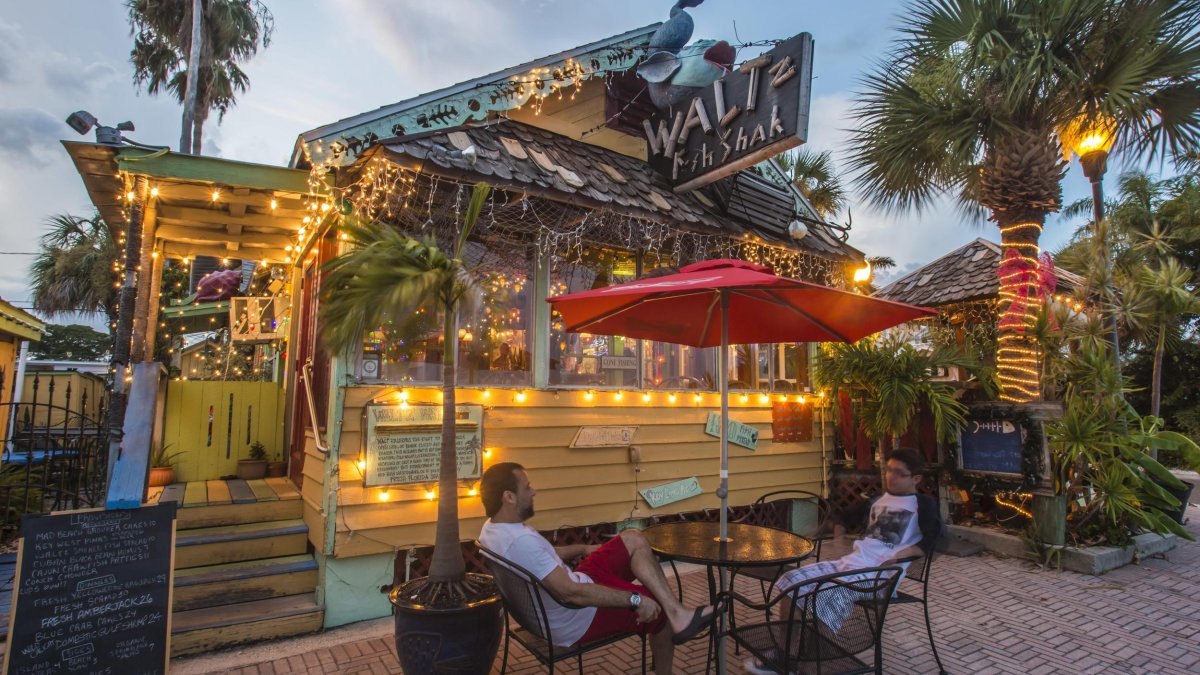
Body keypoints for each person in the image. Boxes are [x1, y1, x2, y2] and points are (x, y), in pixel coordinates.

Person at [478, 462, 718, 675]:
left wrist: (583, 547)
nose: (533, 491)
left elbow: (546, 558)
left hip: (567, 595)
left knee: (632, 538)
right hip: (576, 615)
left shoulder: (493, 529)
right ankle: (670, 634)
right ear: (508, 497)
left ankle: (678, 613)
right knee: (656, 605)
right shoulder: (521, 542)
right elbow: (570, 593)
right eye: (527, 487)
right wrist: (635, 600)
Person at [744, 448, 942, 675]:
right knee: (790, 581)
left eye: (899, 473)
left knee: (823, 593)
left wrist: (897, 556)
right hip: (851, 564)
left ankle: (810, 665)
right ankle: (785, 654)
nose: (890, 476)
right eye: (888, 470)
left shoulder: (922, 504)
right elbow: (843, 518)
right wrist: (837, 533)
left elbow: (930, 543)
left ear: (915, 479)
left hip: (879, 577)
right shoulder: (879, 499)